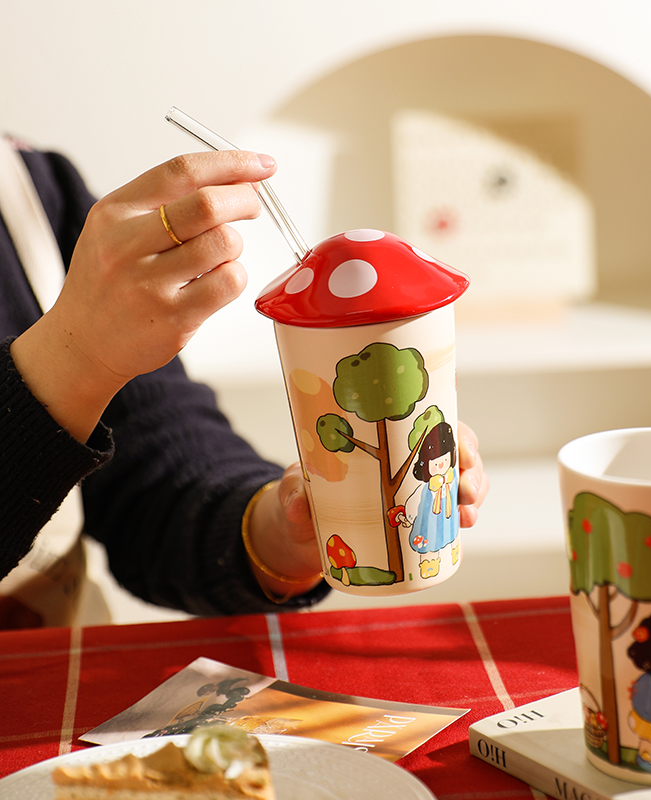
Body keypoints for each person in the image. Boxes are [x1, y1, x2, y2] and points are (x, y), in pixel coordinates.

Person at [0, 137, 488, 621]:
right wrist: (74, 356)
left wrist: (277, 529)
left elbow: (150, 478)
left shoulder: (34, 190)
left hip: (55, 671)